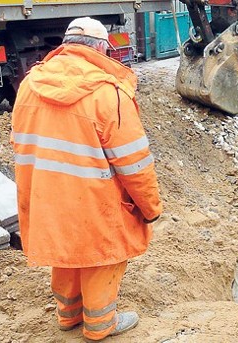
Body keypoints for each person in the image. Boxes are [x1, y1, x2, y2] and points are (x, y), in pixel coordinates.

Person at [10, 17, 162, 340]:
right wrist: (151, 208)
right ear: (102, 49)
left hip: (46, 201)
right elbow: (135, 164)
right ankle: (99, 324)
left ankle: (68, 314)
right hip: (93, 207)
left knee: (65, 249)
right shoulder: (108, 95)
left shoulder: (29, 86)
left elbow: (19, 147)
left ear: (66, 45)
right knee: (101, 251)